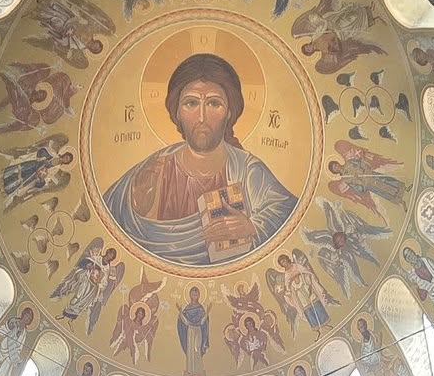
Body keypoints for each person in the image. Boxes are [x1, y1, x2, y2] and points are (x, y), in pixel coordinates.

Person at [103, 52, 295, 268]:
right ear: (177, 112)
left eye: (214, 103)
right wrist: (136, 204)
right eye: (191, 103)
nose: (201, 117)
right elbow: (112, 217)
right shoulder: (153, 171)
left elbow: (286, 211)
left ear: (230, 112)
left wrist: (253, 228)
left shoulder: (248, 171)